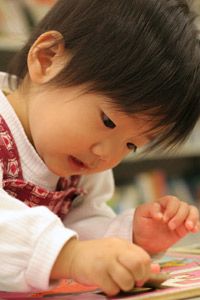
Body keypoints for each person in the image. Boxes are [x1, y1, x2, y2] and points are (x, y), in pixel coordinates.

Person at [0, 0, 200, 296]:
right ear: (48, 59)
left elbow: (80, 224)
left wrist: (129, 236)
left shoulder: (80, 158)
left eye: (131, 144)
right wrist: (69, 257)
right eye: (107, 121)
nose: (107, 154)